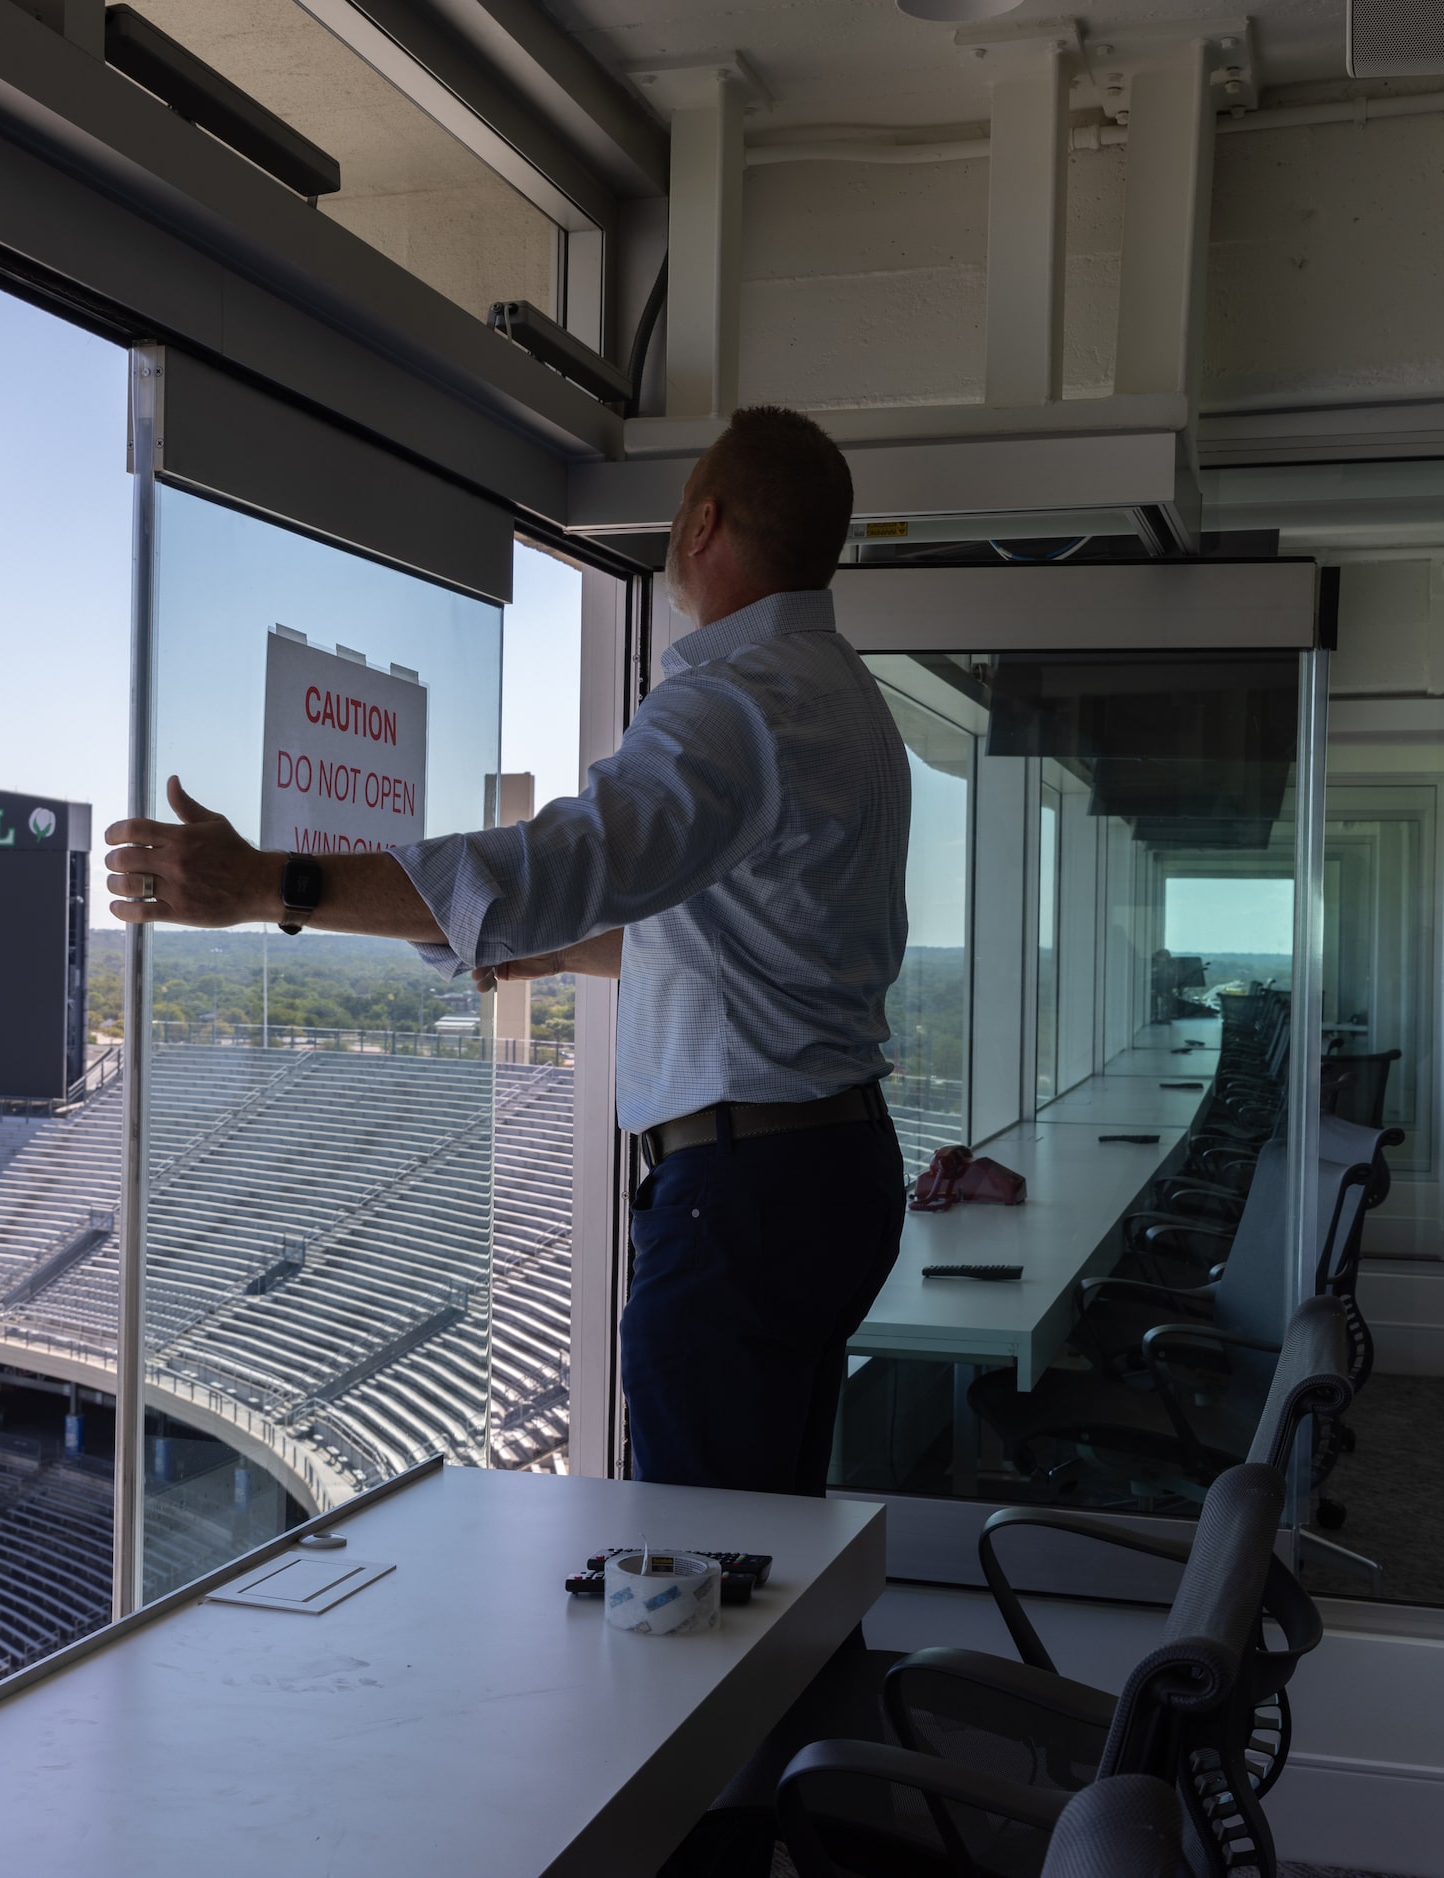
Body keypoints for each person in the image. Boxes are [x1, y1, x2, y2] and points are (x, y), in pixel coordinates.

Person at [103, 404, 911, 1498]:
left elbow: (548, 867)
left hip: (745, 1195)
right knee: (774, 1548)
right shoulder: (845, 701)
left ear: (702, 523)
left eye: (677, 510)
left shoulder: (735, 705)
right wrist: (559, 954)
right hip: (827, 1171)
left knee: (710, 1576)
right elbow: (755, 948)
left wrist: (268, 884)